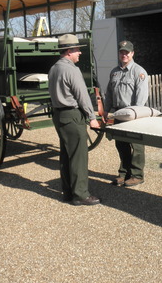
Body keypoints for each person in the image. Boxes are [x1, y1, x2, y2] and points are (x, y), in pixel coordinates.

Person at [48, 34, 101, 206]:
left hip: (59, 115)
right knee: (78, 156)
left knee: (66, 155)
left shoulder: (54, 68)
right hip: (72, 115)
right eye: (77, 50)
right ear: (69, 51)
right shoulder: (71, 69)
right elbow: (82, 96)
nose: (79, 53)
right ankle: (81, 194)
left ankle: (68, 192)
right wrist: (92, 118)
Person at [104, 40, 149, 187]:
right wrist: (106, 110)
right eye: (121, 52)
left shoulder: (139, 72)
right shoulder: (114, 72)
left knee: (136, 146)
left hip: (132, 114)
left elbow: (141, 97)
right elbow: (109, 93)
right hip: (118, 114)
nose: (124, 55)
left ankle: (137, 175)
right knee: (121, 145)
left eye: (127, 52)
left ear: (132, 53)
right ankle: (124, 173)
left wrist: (135, 114)